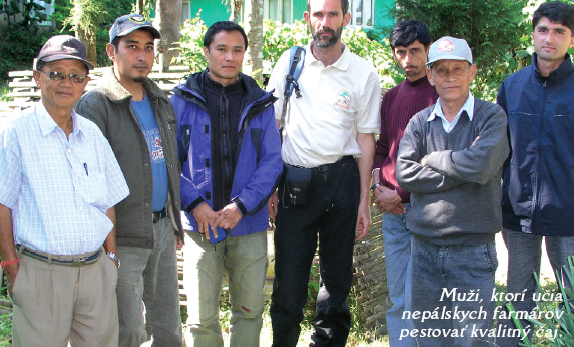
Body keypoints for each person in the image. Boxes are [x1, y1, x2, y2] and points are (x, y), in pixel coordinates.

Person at [0, 35, 129, 347]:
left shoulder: (92, 133)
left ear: (85, 83)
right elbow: (3, 205)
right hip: (41, 273)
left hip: (95, 271)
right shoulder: (17, 133)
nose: (65, 83)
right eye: (55, 73)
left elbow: (108, 199)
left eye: (75, 76)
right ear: (37, 77)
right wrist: (10, 266)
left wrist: (110, 258)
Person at [266, 0, 381, 345]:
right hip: (295, 183)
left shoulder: (363, 72)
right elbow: (272, 126)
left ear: (346, 18)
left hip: (341, 184)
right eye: (318, 14)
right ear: (307, 19)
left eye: (333, 14)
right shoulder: (290, 62)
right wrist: (271, 186)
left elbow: (365, 139)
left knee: (337, 282)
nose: (325, 22)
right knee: (288, 280)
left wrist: (364, 201)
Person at [169, 21, 282, 347]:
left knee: (248, 311)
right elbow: (168, 161)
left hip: (248, 225)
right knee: (200, 318)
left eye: (237, 49)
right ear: (206, 51)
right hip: (199, 226)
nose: (229, 56)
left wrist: (242, 206)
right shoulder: (182, 101)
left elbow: (272, 161)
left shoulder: (260, 102)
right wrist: (195, 203)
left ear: (244, 54)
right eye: (221, 49)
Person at [75, 14, 184, 346]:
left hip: (161, 230)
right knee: (128, 331)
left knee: (168, 327)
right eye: (132, 47)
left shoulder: (160, 100)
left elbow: (168, 165)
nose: (142, 56)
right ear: (111, 51)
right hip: (121, 236)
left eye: (149, 48)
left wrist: (174, 222)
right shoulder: (96, 105)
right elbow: (86, 178)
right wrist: (103, 243)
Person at [396, 36, 509, 347]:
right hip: (424, 252)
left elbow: (483, 166)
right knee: (430, 339)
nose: (450, 77)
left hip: (472, 253)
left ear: (472, 72)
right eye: (441, 70)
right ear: (430, 76)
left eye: (457, 69)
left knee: (473, 341)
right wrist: (466, 169)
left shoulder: (491, 117)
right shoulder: (420, 122)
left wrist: (433, 159)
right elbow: (405, 173)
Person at [496, 2, 574, 346]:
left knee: (572, 297)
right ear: (533, 34)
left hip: (569, 214)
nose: (550, 38)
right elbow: (498, 151)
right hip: (519, 212)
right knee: (517, 299)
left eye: (559, 31)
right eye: (543, 29)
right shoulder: (511, 86)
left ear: (571, 38)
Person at [371, 20, 437, 347]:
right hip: (392, 214)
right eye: (401, 52)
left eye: (415, 51)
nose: (408, 60)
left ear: (427, 51)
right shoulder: (392, 97)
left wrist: (403, 194)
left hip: (425, 212)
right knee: (398, 300)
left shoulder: (441, 96)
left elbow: (441, 161)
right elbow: (382, 150)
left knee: (419, 301)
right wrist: (377, 188)